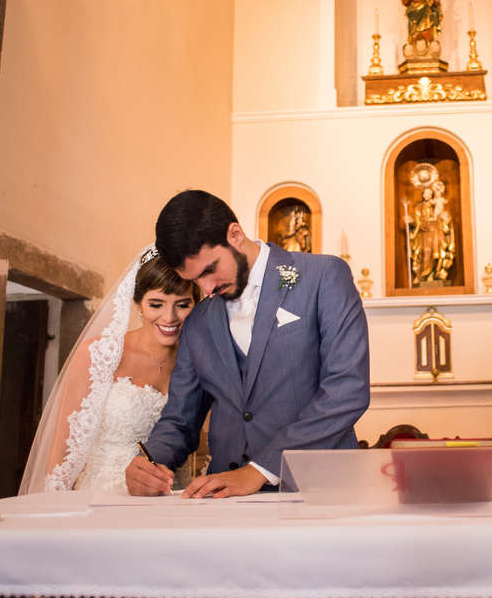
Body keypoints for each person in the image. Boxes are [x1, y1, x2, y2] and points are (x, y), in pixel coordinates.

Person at [126, 190, 369, 498]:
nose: (207, 288)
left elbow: (347, 392)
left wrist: (259, 470)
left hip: (319, 492)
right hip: (224, 503)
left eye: (210, 270)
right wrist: (151, 462)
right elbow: (180, 420)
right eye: (194, 280)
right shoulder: (198, 322)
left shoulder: (323, 277)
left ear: (235, 234)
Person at [19, 247, 200, 493]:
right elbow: (62, 453)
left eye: (182, 305)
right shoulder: (99, 354)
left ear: (196, 304)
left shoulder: (200, 360)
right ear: (138, 304)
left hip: (173, 499)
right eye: (156, 304)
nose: (169, 317)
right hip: (102, 496)